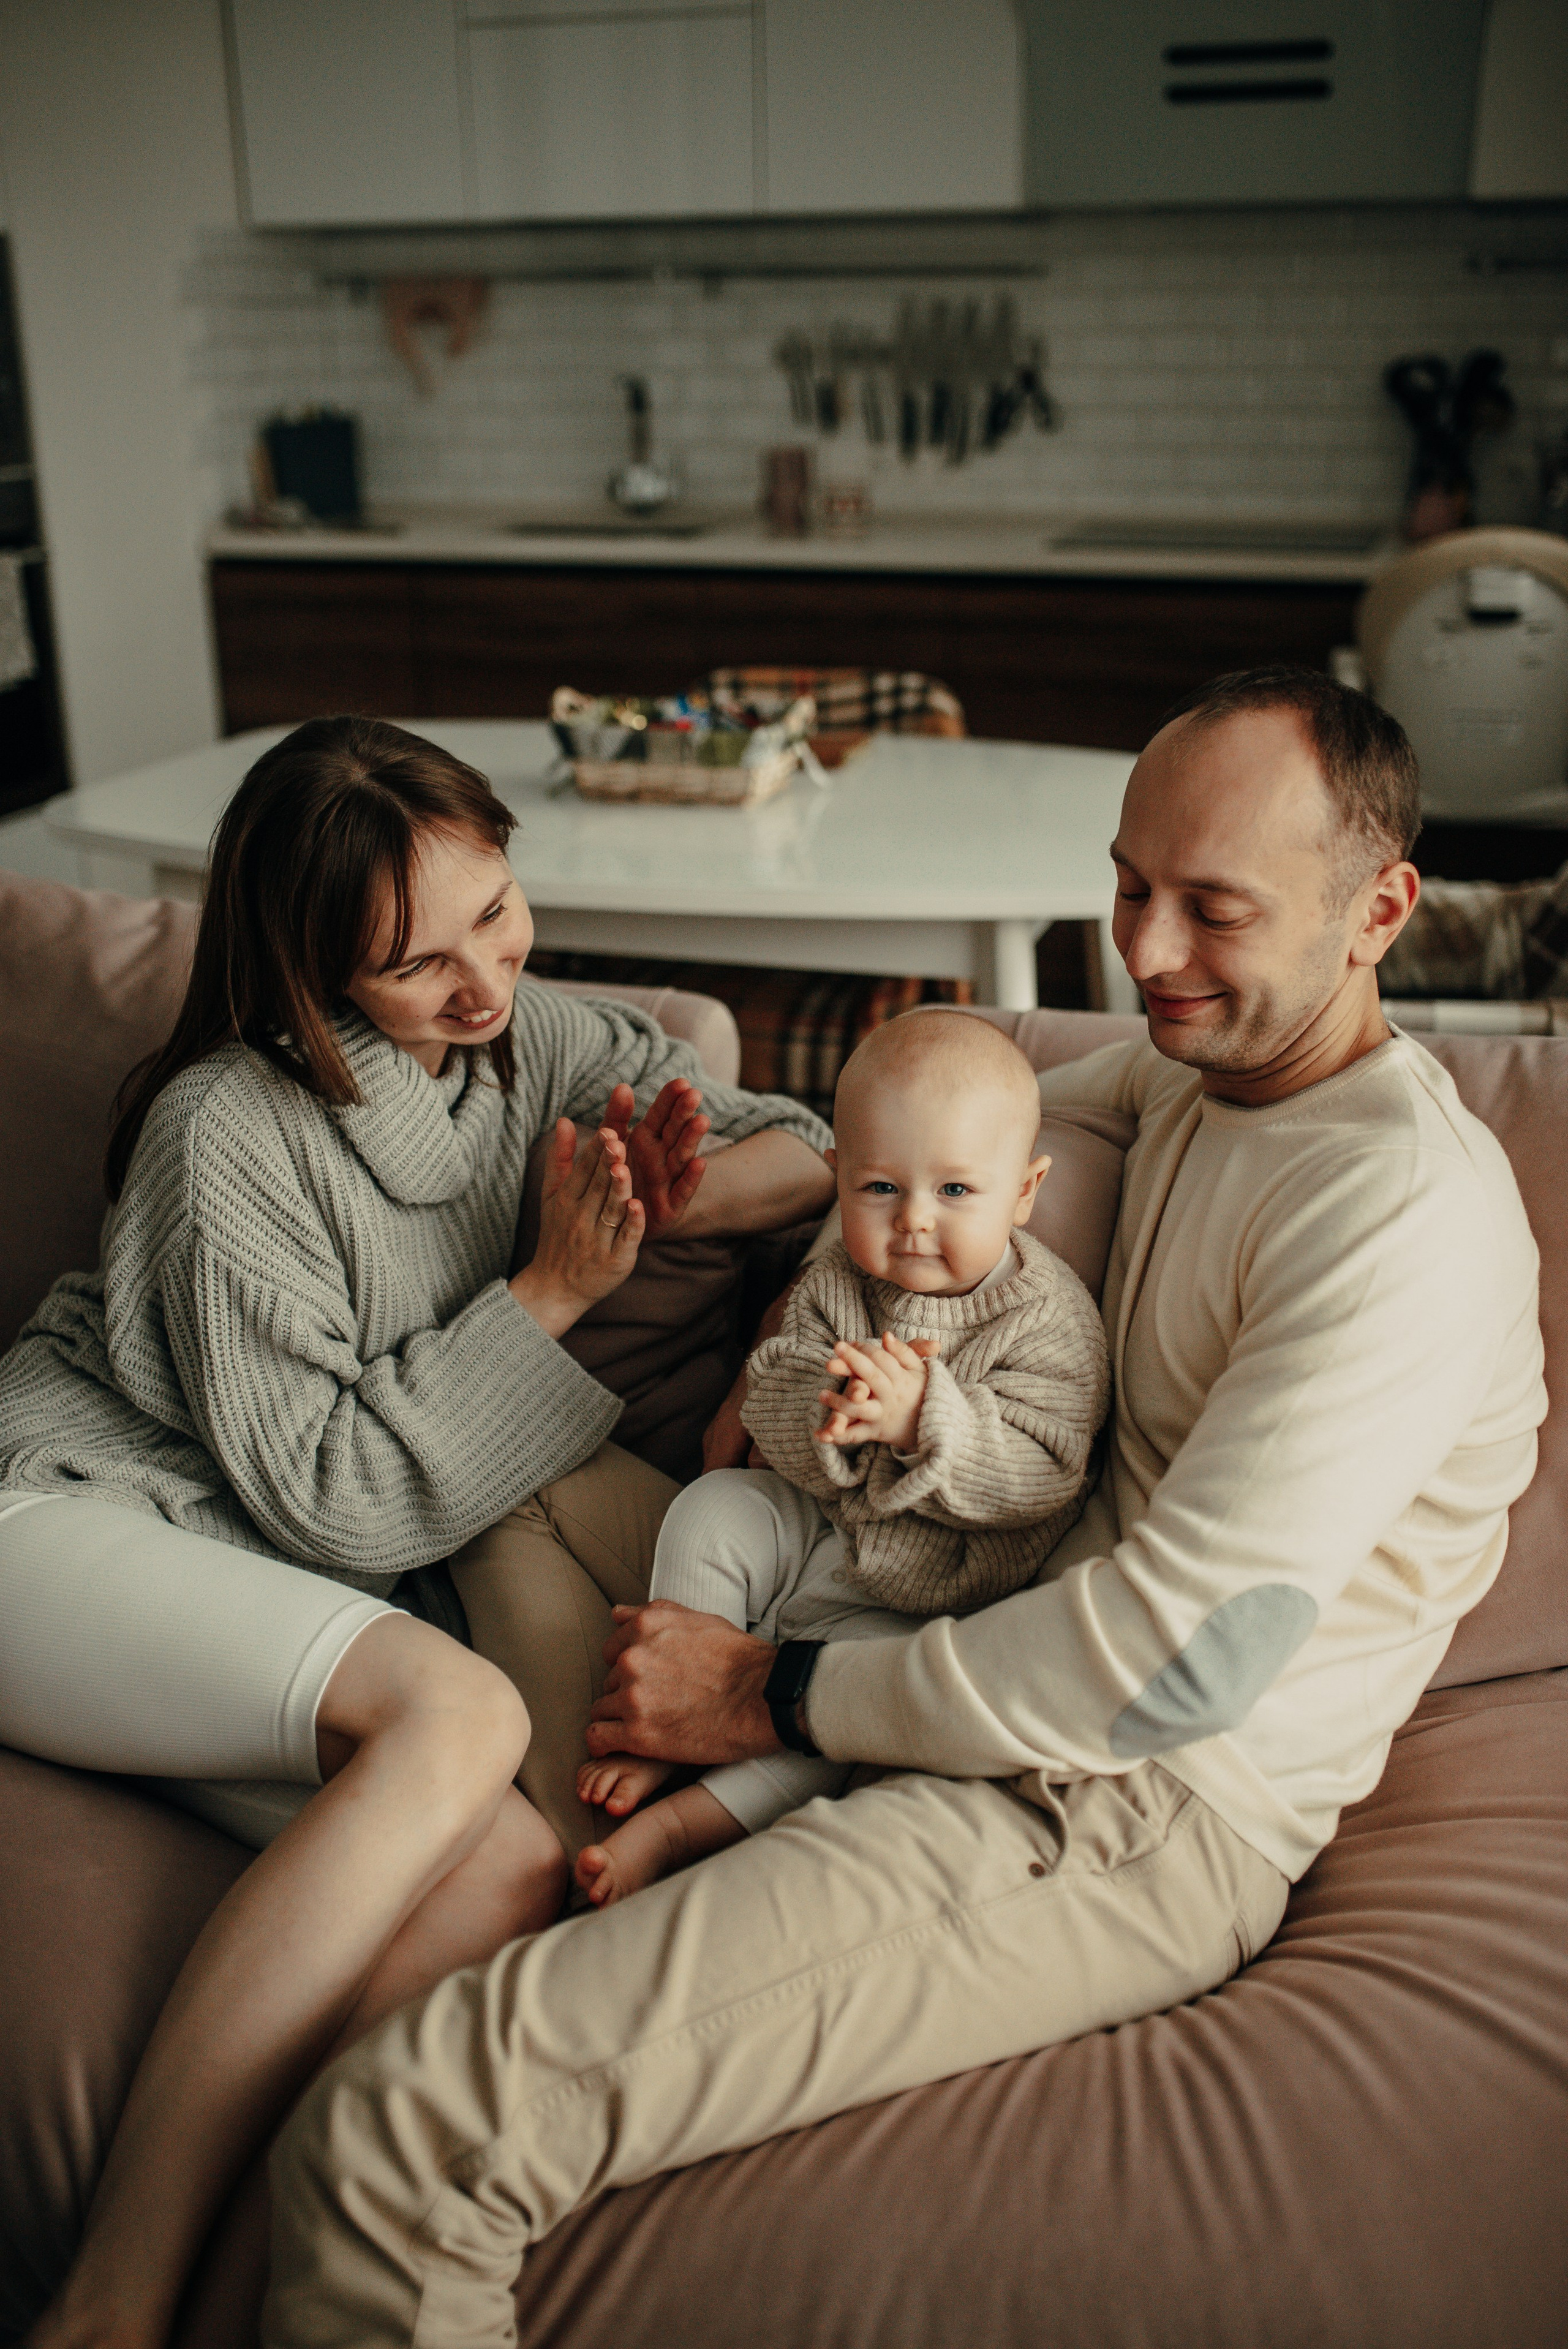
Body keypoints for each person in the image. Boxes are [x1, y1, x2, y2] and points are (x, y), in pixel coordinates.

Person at [262, 667, 1547, 2349]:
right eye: (1129, 885)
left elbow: (1176, 1671)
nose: (1143, 954)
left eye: (1211, 908)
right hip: (940, 1629)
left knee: (392, 2137)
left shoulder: (1395, 1214)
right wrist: (743, 1236)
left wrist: (765, 1692)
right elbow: (906, 1146)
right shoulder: (1198, 1080)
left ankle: (680, 1836)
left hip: (1117, 1802)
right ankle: (643, 1845)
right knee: (511, 1474)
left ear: (1381, 909)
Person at [0, 715, 833, 2349]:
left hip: (239, 1592)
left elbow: (795, 1140)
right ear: (298, 972)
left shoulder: (524, 1045)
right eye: (410, 964)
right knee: (467, 1711)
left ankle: (233, 2296)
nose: (479, 986)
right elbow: (325, 1495)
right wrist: (552, 1290)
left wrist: (688, 1188)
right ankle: (106, 2302)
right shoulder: (223, 1134)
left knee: (520, 1863)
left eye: (496, 915)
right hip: (58, 1520)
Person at [574, 1009, 1109, 1905]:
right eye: (880, 1189)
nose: (913, 1225)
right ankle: (672, 1698)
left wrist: (922, 1421)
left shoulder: (1049, 1320)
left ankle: (682, 1823)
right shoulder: (834, 1285)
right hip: (818, 1525)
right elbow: (770, 1390)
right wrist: (831, 1413)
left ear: (1024, 1190)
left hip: (925, 1594)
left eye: (956, 1193)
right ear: (838, 1183)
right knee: (713, 1509)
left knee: (854, 1719)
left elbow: (1043, 1472)